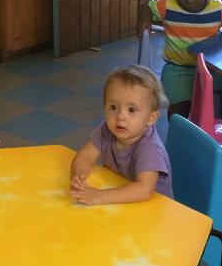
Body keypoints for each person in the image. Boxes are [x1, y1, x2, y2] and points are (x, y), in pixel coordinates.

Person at [69, 64, 172, 205]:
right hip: (122, 201)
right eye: (113, 107)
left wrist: (101, 196)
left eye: (131, 110)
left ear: (151, 118)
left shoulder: (150, 148)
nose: (120, 117)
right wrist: (78, 177)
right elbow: (85, 156)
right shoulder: (106, 130)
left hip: (154, 210)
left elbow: (144, 189)